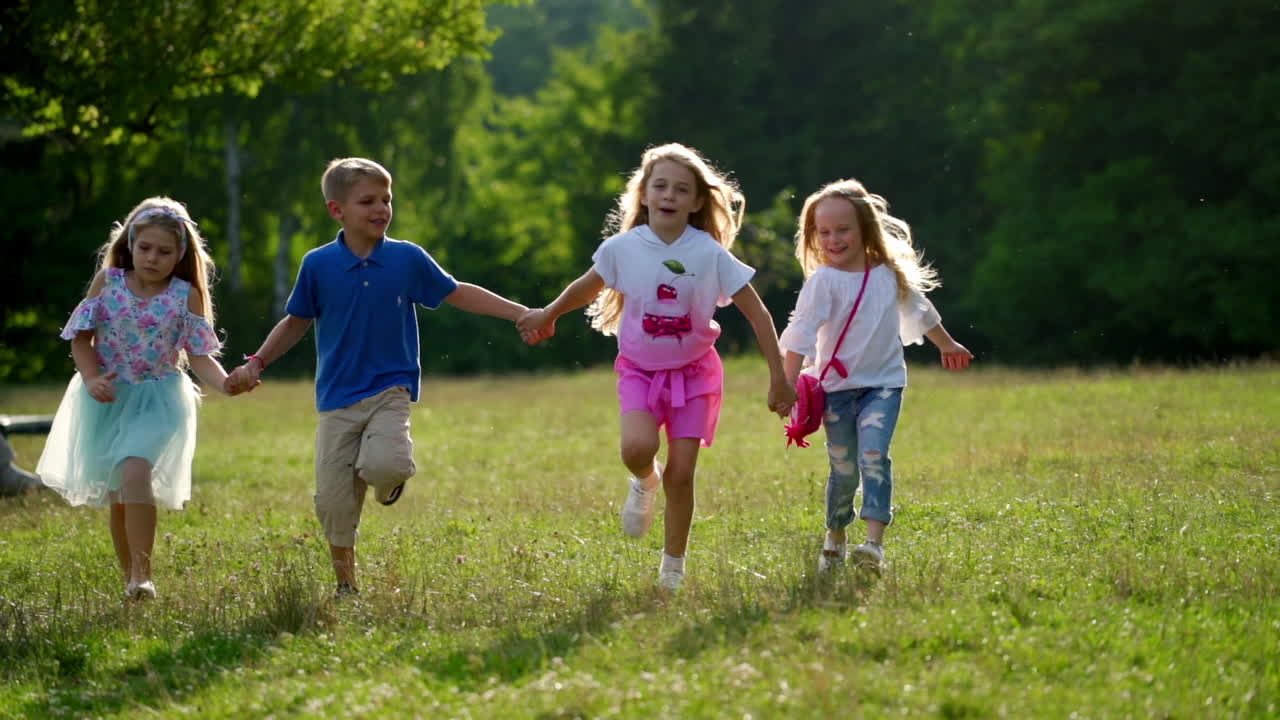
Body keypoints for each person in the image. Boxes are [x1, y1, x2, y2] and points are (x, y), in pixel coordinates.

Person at [226, 157, 531, 598]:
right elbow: (296, 321)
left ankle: (389, 484)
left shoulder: (407, 259)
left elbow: (456, 291)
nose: (381, 208)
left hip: (391, 388)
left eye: (386, 199)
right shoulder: (318, 265)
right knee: (334, 500)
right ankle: (346, 584)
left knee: (383, 465)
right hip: (335, 399)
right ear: (337, 210)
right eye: (367, 201)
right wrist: (257, 362)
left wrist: (519, 312)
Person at [518, 143, 796, 593]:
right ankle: (646, 481)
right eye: (660, 186)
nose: (669, 195)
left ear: (698, 201)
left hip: (696, 374)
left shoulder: (709, 253)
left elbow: (758, 314)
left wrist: (778, 377)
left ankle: (672, 568)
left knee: (684, 472)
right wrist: (548, 314)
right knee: (636, 449)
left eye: (681, 189)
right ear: (643, 194)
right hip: (639, 371)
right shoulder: (622, 248)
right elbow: (586, 289)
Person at [36, 197, 244, 600]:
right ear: (130, 244)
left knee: (135, 471)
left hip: (158, 398)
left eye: (165, 252)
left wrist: (225, 384)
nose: (152, 258)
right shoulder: (109, 283)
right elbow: (81, 339)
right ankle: (130, 578)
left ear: (180, 255)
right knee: (119, 496)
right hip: (108, 397)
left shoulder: (184, 294)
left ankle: (144, 574)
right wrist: (92, 376)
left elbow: (199, 356)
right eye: (145, 248)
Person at [778, 179, 973, 574]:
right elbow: (799, 334)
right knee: (844, 468)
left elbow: (921, 312)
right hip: (835, 390)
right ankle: (835, 535)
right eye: (825, 232)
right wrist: (784, 384)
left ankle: (873, 545)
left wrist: (947, 345)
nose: (833, 239)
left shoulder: (888, 275)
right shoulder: (822, 282)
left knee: (874, 457)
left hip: (882, 385)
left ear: (865, 227)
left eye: (843, 229)